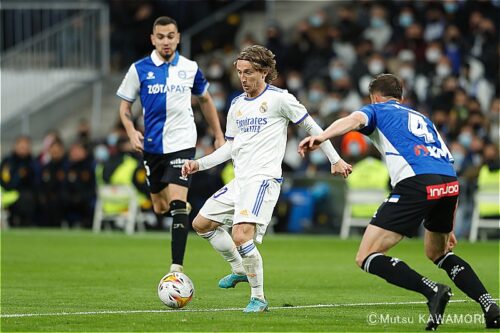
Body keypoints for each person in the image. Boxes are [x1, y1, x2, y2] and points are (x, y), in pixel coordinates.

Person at [298, 74, 499, 330]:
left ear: (374, 97)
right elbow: (447, 163)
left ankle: (433, 290)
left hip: (417, 181)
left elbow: (352, 120)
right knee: (438, 252)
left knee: (366, 255)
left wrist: (323, 136)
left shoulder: (376, 110)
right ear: (401, 98)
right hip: (448, 183)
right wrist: (447, 226)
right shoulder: (423, 118)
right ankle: (489, 306)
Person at [182, 45, 352, 312]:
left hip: (263, 180)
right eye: (239, 72)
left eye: (248, 72)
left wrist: (335, 159)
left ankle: (258, 298)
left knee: (241, 235)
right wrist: (199, 164)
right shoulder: (237, 104)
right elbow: (231, 147)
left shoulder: (280, 99)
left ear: (263, 71)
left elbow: (312, 127)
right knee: (202, 224)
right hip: (240, 180)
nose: (242, 78)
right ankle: (239, 268)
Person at [117, 16, 225, 273]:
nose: (166, 41)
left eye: (171, 36)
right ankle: (180, 212)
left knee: (177, 205)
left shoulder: (190, 67)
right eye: (161, 37)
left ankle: (176, 269)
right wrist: (132, 131)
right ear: (153, 39)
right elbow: (124, 107)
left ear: (178, 37)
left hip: (183, 144)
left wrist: (218, 135)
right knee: (160, 206)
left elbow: (206, 100)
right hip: (152, 147)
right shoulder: (139, 69)